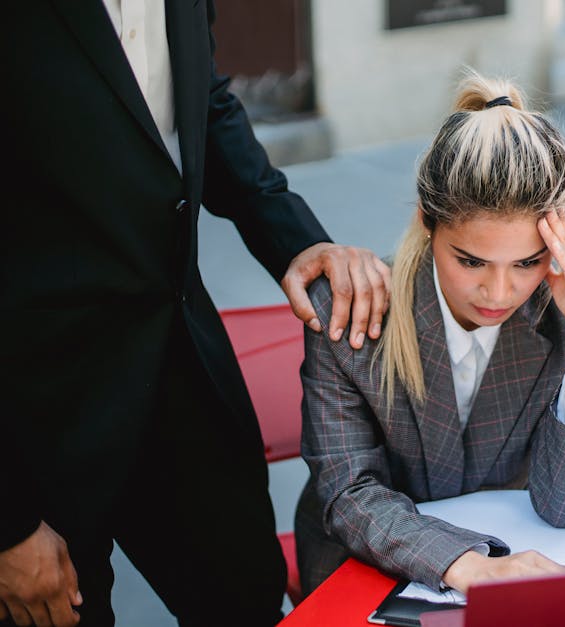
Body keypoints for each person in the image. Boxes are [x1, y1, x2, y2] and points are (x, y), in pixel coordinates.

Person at [0, 2, 389, 626]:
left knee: (246, 598)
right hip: (38, 414)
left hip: (178, 360)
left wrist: (300, 242)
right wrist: (6, 524)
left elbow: (203, 103)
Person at [294, 71, 565, 595]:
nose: (499, 292)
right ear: (427, 222)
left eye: (529, 262)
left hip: (512, 560)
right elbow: (349, 493)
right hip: (366, 567)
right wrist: (466, 565)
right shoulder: (351, 311)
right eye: (471, 261)